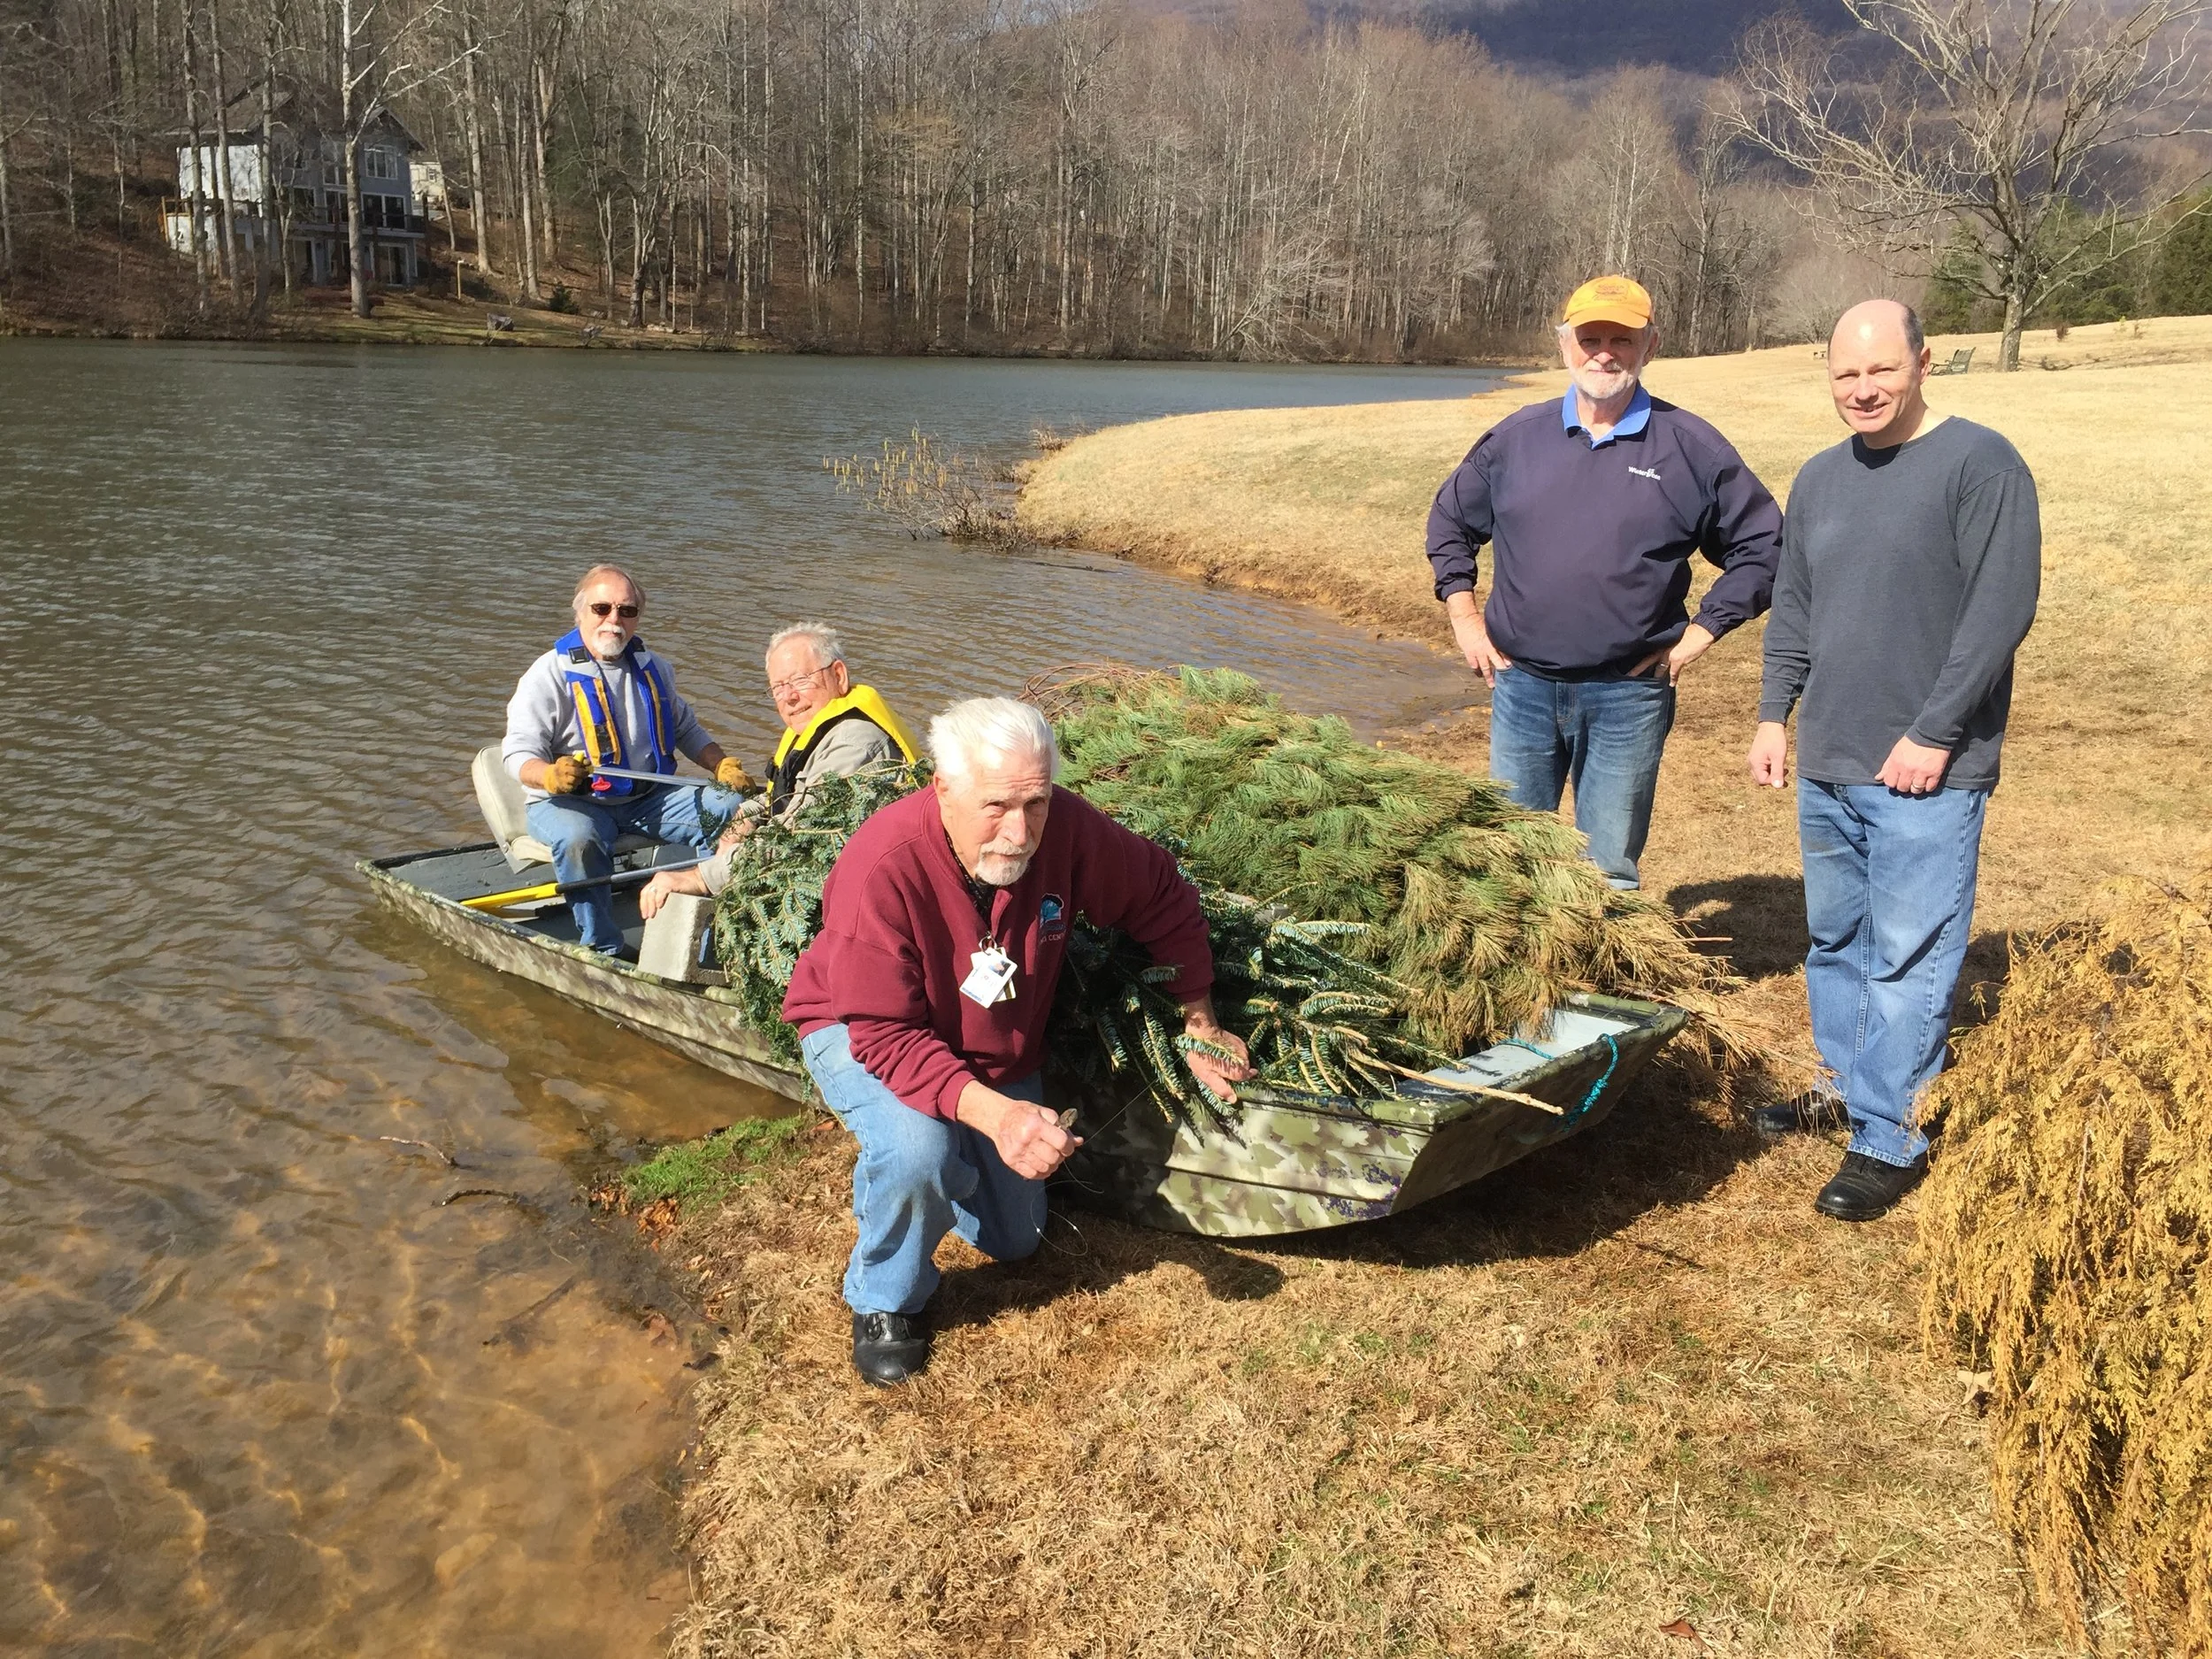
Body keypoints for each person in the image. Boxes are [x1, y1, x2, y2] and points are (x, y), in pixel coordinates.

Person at [780, 697, 1254, 1386]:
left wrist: (1201, 1022)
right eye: (997, 806)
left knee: (1015, 1240)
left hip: (990, 1042)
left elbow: (1161, 893)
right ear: (942, 787)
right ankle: (886, 1296)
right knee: (920, 1150)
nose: (1020, 831)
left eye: (1035, 803)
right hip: (860, 1026)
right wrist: (996, 1117)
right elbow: (885, 1037)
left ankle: (948, 1173)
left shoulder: (1063, 829)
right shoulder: (881, 866)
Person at [1749, 298, 2040, 1221]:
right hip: (1832, 755)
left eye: (1880, 370)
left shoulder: (1978, 463)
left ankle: (1890, 1134)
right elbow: (1793, 605)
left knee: (1909, 954)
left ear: (1922, 364)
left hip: (1925, 765)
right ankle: (1846, 1086)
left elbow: (1999, 611)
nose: (1862, 389)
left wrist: (1935, 730)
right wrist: (1772, 717)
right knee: (1837, 941)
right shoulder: (1820, 477)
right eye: (1845, 374)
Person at [1426, 273, 1783, 887]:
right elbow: (1450, 522)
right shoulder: (1515, 440)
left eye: (1623, 338)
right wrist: (1464, 616)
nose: (1604, 352)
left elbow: (1765, 547)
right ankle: (1527, 979)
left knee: (1610, 867)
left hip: (1629, 696)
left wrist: (1697, 636)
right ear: (1565, 344)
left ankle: (1595, 977)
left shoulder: (1691, 448)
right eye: (1590, 337)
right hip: (1523, 686)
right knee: (1513, 858)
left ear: (1652, 346)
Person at [501, 565, 753, 955]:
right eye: (602, 608)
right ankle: (603, 946)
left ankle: (710, 934)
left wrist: (721, 765)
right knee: (578, 839)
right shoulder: (547, 675)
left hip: (646, 799)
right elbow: (517, 754)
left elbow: (687, 730)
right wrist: (550, 775)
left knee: (730, 806)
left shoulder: (655, 669)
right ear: (580, 613)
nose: (614, 620)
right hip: (569, 803)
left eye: (627, 611)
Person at [638, 621, 918, 918]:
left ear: (838, 675)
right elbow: (781, 797)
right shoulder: (814, 728)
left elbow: (795, 837)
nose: (789, 697)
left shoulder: (853, 745)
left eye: (800, 680)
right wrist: (744, 819)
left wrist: (699, 878)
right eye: (778, 687)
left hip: (860, 903)